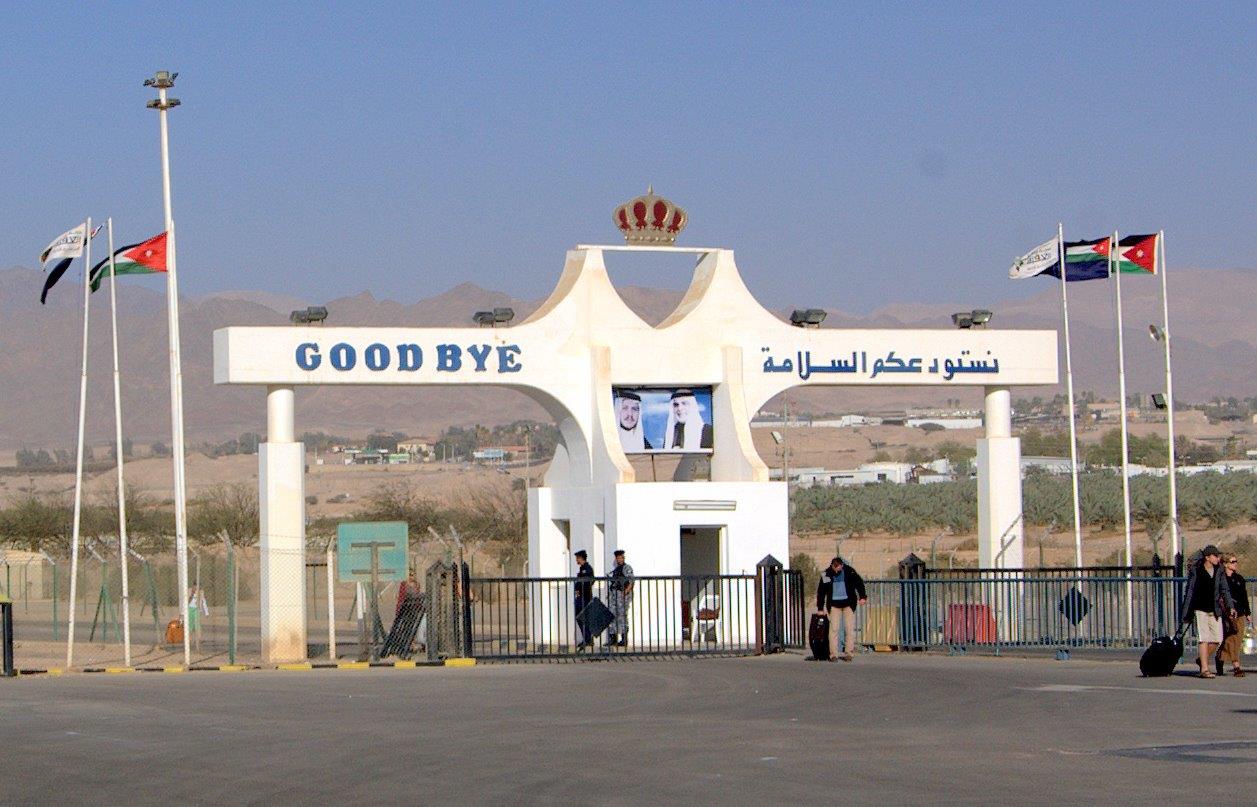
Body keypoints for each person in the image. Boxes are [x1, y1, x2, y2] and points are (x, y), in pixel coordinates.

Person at [1180, 545, 1235, 679]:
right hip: (1200, 609)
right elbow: (1190, 591)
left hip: (1214, 609)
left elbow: (1225, 590)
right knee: (1203, 639)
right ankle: (1204, 669)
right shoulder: (1196, 570)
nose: (1218, 558)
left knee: (1217, 639)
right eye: (1215, 556)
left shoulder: (1219, 570)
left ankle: (1201, 659)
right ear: (1207, 557)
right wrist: (1186, 612)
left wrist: (1231, 607)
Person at [815, 556, 867, 662]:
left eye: (839, 567)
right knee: (834, 629)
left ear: (842, 565)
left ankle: (849, 654)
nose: (837, 570)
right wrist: (820, 608)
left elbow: (859, 583)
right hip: (834, 606)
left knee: (849, 629)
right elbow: (821, 591)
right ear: (832, 566)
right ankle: (833, 655)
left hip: (848, 605)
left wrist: (862, 596)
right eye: (836, 567)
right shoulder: (826, 574)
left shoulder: (849, 571)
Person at [1216, 554, 1250, 677]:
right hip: (1226, 612)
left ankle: (1220, 656)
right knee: (1231, 637)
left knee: (1237, 638)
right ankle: (1236, 665)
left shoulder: (1239, 578)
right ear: (1225, 564)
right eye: (1232, 561)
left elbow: (1244, 597)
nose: (1235, 563)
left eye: (1236, 561)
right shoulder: (1221, 579)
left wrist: (1247, 612)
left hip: (1239, 612)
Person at [607, 549, 634, 647]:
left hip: (622, 595)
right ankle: (613, 638)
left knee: (622, 616)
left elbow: (631, 580)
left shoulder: (627, 567)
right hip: (615, 595)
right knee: (612, 615)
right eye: (617, 558)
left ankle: (624, 639)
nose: (619, 559)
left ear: (623, 558)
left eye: (620, 557)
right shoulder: (616, 569)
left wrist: (626, 592)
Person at [573, 550, 595, 649]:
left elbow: (590, 581)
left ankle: (588, 639)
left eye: (577, 558)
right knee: (580, 618)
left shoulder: (587, 568)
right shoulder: (582, 568)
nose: (576, 560)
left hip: (585, 597)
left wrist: (581, 589)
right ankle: (587, 639)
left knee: (583, 618)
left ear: (581, 558)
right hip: (580, 597)